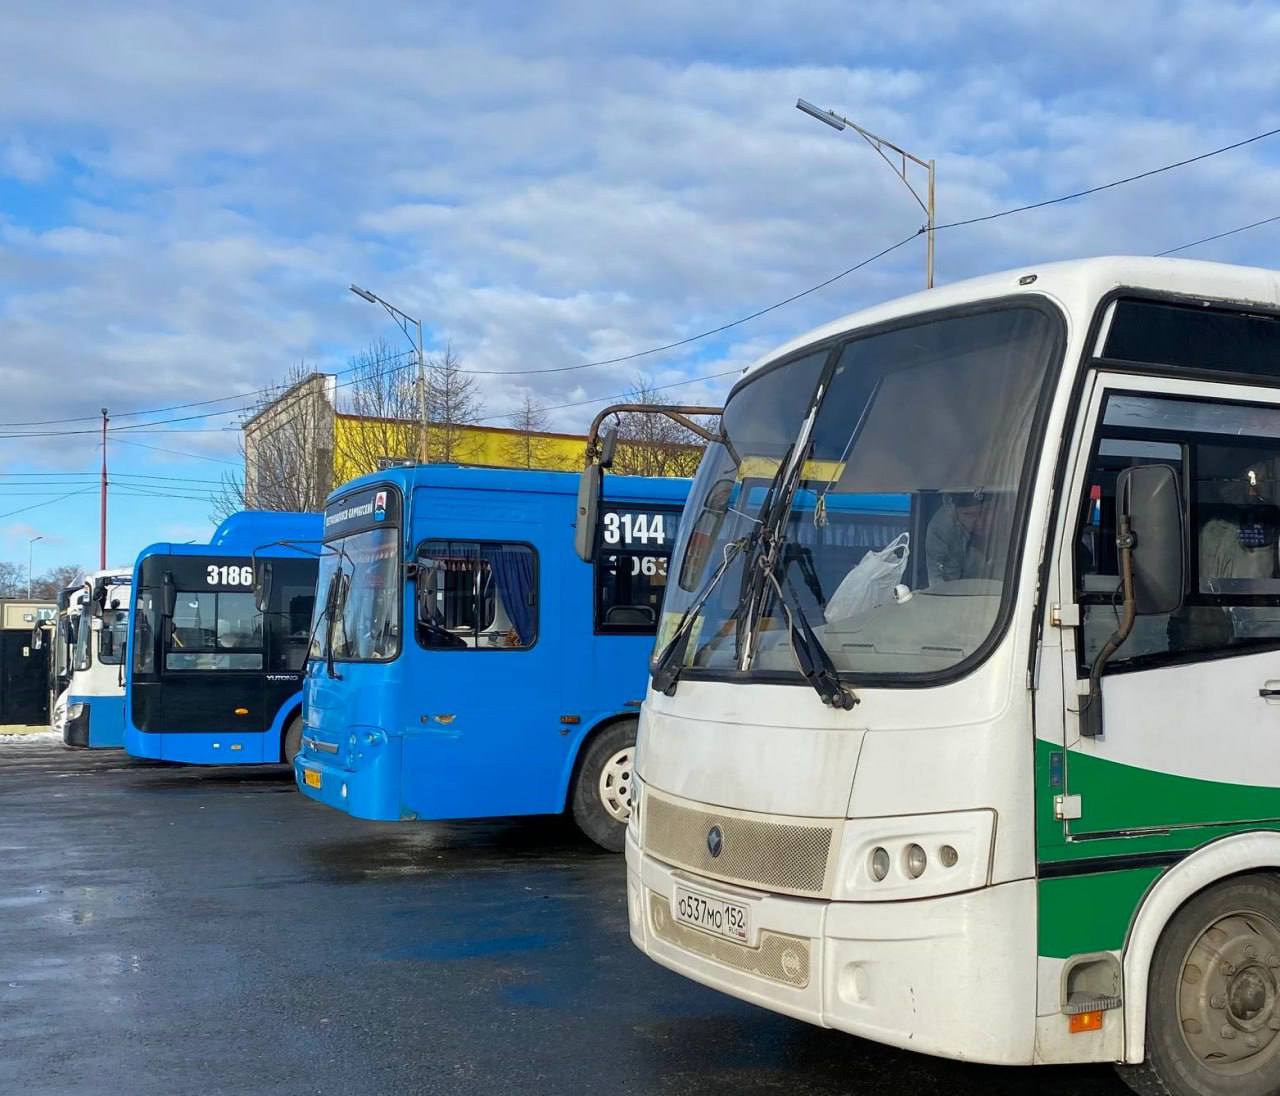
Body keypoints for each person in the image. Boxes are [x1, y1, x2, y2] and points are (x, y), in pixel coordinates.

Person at [926, 490, 1006, 585]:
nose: (980, 522)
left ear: (1000, 509)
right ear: (955, 513)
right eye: (969, 515)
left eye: (986, 512)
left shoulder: (1017, 518)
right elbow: (940, 585)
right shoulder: (942, 529)